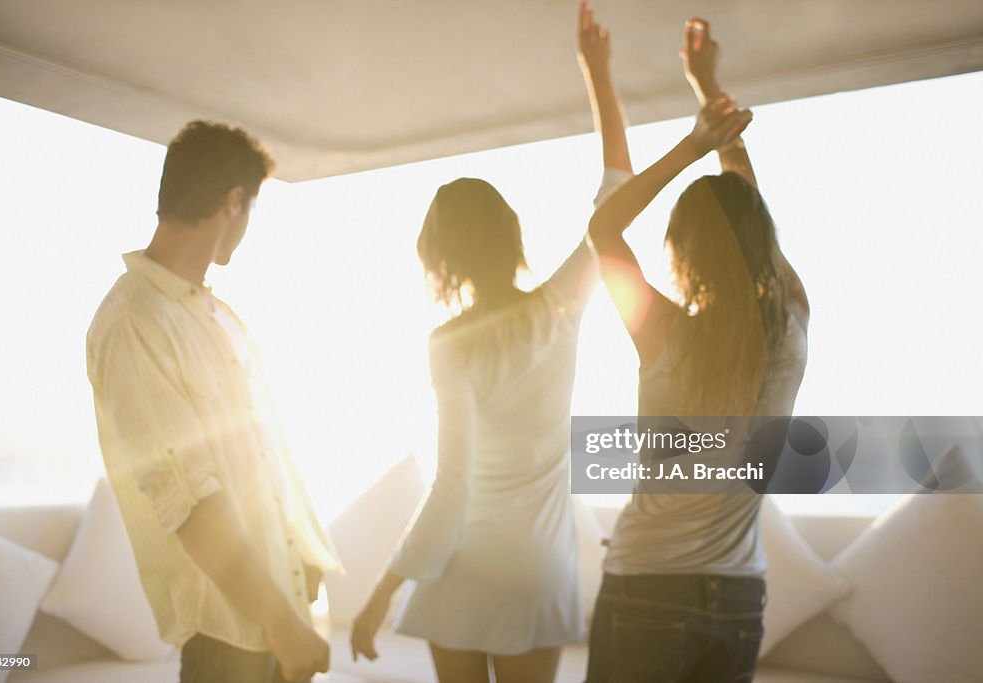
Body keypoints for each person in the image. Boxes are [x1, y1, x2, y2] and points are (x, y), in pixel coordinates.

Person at [348, 4, 632, 680]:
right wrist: (597, 73)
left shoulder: (450, 344)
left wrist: (381, 593)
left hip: (466, 570)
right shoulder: (561, 305)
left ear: (442, 256)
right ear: (509, 234)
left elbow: (451, 489)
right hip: (539, 572)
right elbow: (617, 188)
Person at [584, 18, 810, 683]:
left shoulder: (663, 332)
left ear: (681, 251)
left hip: (647, 588)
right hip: (739, 599)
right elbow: (751, 221)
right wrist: (709, 91)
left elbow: (603, 227)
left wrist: (694, 142)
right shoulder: (791, 331)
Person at [86, 121, 340, 683]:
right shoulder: (135, 321)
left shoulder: (219, 316)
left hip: (279, 612)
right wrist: (280, 621)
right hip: (229, 636)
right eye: (251, 211)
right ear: (233, 202)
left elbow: (268, 447)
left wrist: (304, 554)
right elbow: (187, 498)